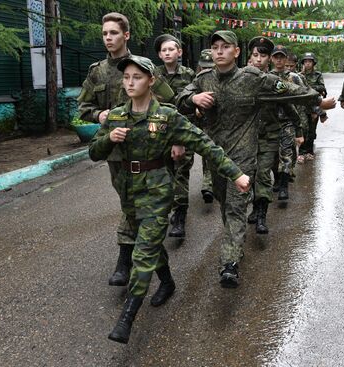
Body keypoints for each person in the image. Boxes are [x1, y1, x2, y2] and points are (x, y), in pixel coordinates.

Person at [89, 55, 250, 344]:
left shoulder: (167, 116)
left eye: (136, 77)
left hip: (158, 189)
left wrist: (235, 174)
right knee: (147, 242)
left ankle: (127, 317)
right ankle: (167, 281)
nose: (130, 82)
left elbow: (206, 145)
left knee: (142, 252)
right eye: (126, 77)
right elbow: (94, 152)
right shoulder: (115, 116)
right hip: (128, 189)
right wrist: (108, 139)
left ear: (151, 81)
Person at [177, 30, 336, 288]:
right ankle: (234, 242)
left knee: (236, 206)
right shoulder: (203, 79)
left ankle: (229, 263)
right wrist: (193, 98)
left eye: (225, 47)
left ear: (236, 52)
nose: (219, 51)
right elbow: (179, 100)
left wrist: (317, 100)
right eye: (215, 46)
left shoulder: (251, 78)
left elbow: (287, 90)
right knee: (224, 202)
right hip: (215, 156)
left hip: (243, 156)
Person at [77, 12, 174, 287]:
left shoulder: (144, 67)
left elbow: (171, 102)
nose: (108, 38)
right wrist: (100, 117)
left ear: (126, 35)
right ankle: (159, 274)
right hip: (117, 153)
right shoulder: (97, 72)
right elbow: (83, 107)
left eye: (114, 33)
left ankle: (125, 261)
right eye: (105, 33)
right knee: (129, 205)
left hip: (148, 155)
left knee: (139, 208)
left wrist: (168, 137)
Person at [246, 37, 302, 233]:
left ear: (268, 59)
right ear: (249, 58)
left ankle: (262, 214)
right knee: (250, 174)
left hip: (269, 134)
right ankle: (254, 208)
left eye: (262, 55)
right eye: (255, 55)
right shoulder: (241, 78)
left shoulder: (275, 82)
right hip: (246, 136)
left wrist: (317, 106)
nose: (258, 59)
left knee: (263, 173)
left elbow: (290, 100)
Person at [154, 34, 197, 238]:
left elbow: (191, 104)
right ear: (160, 55)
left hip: (182, 131)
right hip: (159, 134)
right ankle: (164, 213)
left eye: (171, 49)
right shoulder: (153, 75)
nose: (168, 53)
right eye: (164, 50)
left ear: (179, 52)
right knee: (163, 175)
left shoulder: (189, 75)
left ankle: (180, 216)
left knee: (181, 173)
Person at [270, 45, 307, 201]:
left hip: (288, 121)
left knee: (286, 153)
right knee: (272, 156)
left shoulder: (294, 77)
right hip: (270, 122)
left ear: (286, 59)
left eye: (281, 57)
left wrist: (319, 110)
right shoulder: (266, 76)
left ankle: (284, 186)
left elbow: (305, 96)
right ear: (271, 59)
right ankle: (277, 179)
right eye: (276, 57)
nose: (279, 60)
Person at [195, 49, 216, 204]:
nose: (208, 69)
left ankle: (213, 183)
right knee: (207, 153)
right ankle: (208, 185)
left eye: (211, 66)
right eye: (205, 66)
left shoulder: (220, 79)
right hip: (203, 124)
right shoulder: (197, 79)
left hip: (221, 124)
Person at [299, 52, 327, 162]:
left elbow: (322, 87)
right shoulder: (300, 75)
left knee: (311, 129)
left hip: (314, 106)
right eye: (305, 62)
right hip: (302, 106)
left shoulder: (318, 75)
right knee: (302, 129)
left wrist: (309, 88)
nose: (307, 64)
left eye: (309, 62)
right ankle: (301, 152)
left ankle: (310, 151)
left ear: (313, 63)